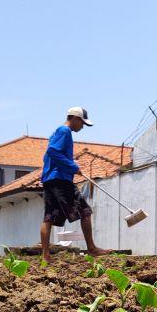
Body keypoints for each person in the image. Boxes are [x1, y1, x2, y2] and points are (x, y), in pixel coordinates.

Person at [39, 106, 110, 263]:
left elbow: (48, 156)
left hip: (50, 180)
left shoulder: (56, 133)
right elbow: (52, 152)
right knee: (85, 211)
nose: (82, 126)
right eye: (82, 123)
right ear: (76, 118)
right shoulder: (64, 131)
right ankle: (92, 248)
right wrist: (72, 166)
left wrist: (67, 166)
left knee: (49, 217)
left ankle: (45, 256)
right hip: (60, 180)